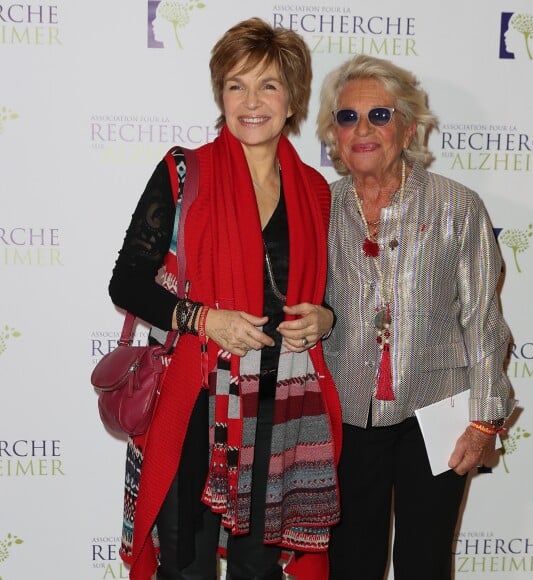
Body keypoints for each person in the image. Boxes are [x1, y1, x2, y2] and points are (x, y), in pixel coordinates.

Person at [108, 17, 341, 580]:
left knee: (258, 570)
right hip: (195, 403)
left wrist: (324, 319)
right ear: (221, 95)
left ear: (292, 100)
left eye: (268, 85)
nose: (251, 101)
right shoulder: (184, 173)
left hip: (278, 409)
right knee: (184, 566)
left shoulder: (314, 190)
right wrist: (204, 319)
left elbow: (328, 295)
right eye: (236, 85)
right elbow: (127, 282)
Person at [316, 54, 516, 580]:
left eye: (379, 116)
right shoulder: (318, 207)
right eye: (347, 117)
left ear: (407, 128)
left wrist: (484, 419)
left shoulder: (458, 205)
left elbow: (483, 319)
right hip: (346, 414)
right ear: (332, 134)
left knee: (424, 563)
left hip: (438, 415)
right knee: (350, 563)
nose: (362, 129)